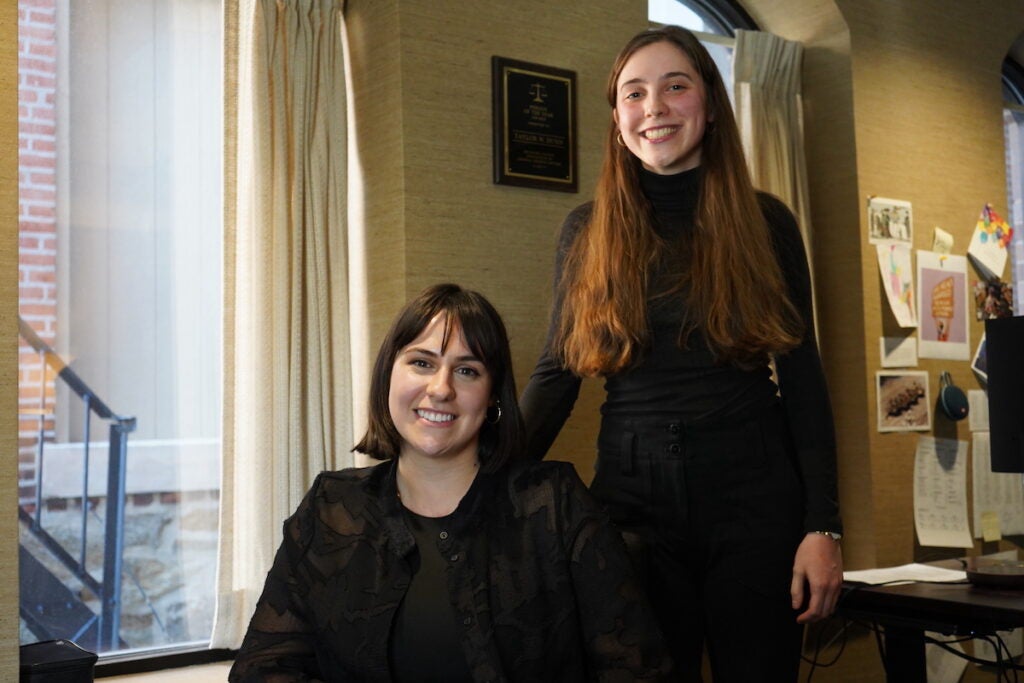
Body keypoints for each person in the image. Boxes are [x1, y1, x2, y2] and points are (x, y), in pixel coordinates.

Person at [519, 26, 843, 682]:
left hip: (755, 499)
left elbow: (803, 380)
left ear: (711, 102)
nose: (654, 107)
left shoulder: (767, 224)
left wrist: (824, 527)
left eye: (676, 86)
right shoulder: (587, 230)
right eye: (634, 93)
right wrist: (475, 477)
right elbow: (557, 375)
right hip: (632, 504)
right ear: (617, 120)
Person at [230, 283, 676, 682]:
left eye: (467, 370)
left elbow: (639, 669)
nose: (441, 388)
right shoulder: (331, 508)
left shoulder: (553, 503)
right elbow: (264, 667)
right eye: (422, 362)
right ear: (388, 375)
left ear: (492, 397)